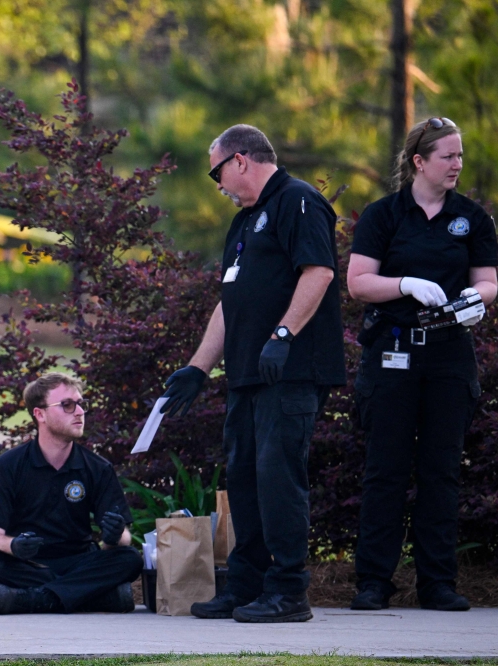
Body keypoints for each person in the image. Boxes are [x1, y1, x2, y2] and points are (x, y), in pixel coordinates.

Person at [160, 125, 346, 623]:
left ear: (240, 161)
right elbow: (231, 300)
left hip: (289, 370)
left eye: (216, 171)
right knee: (243, 477)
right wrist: (198, 369)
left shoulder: (297, 201)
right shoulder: (245, 221)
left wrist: (282, 337)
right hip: (246, 374)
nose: (216, 183)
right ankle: (246, 586)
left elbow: (320, 272)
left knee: (277, 476)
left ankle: (288, 592)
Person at [347, 118, 498, 612]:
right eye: (448, 156)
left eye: (460, 156)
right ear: (419, 161)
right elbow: (359, 282)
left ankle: (437, 583)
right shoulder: (384, 215)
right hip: (394, 351)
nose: (458, 164)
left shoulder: (471, 218)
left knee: (441, 470)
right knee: (385, 469)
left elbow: (488, 281)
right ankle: (373, 582)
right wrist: (405, 283)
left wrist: (477, 298)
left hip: (449, 354)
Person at [0, 373, 143, 615]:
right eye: (67, 405)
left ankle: (33, 599)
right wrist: (15, 546)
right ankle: (93, 598)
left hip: (78, 560)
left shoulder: (97, 468)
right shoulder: (7, 467)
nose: (80, 411)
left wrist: (114, 536)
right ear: (40, 414)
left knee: (129, 559)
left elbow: (123, 538)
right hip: (28, 563)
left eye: (81, 404)